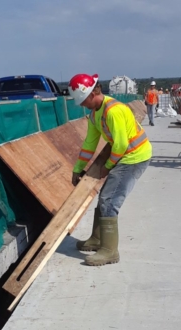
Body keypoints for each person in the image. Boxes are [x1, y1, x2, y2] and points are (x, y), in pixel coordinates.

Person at [68, 73, 152, 267]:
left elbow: (121, 145)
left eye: (82, 101)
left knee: (109, 200)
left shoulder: (113, 111)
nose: (81, 105)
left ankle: (109, 251)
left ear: (92, 94)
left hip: (134, 157)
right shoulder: (95, 113)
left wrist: (105, 168)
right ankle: (98, 240)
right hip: (124, 155)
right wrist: (78, 168)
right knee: (105, 197)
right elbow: (90, 143)